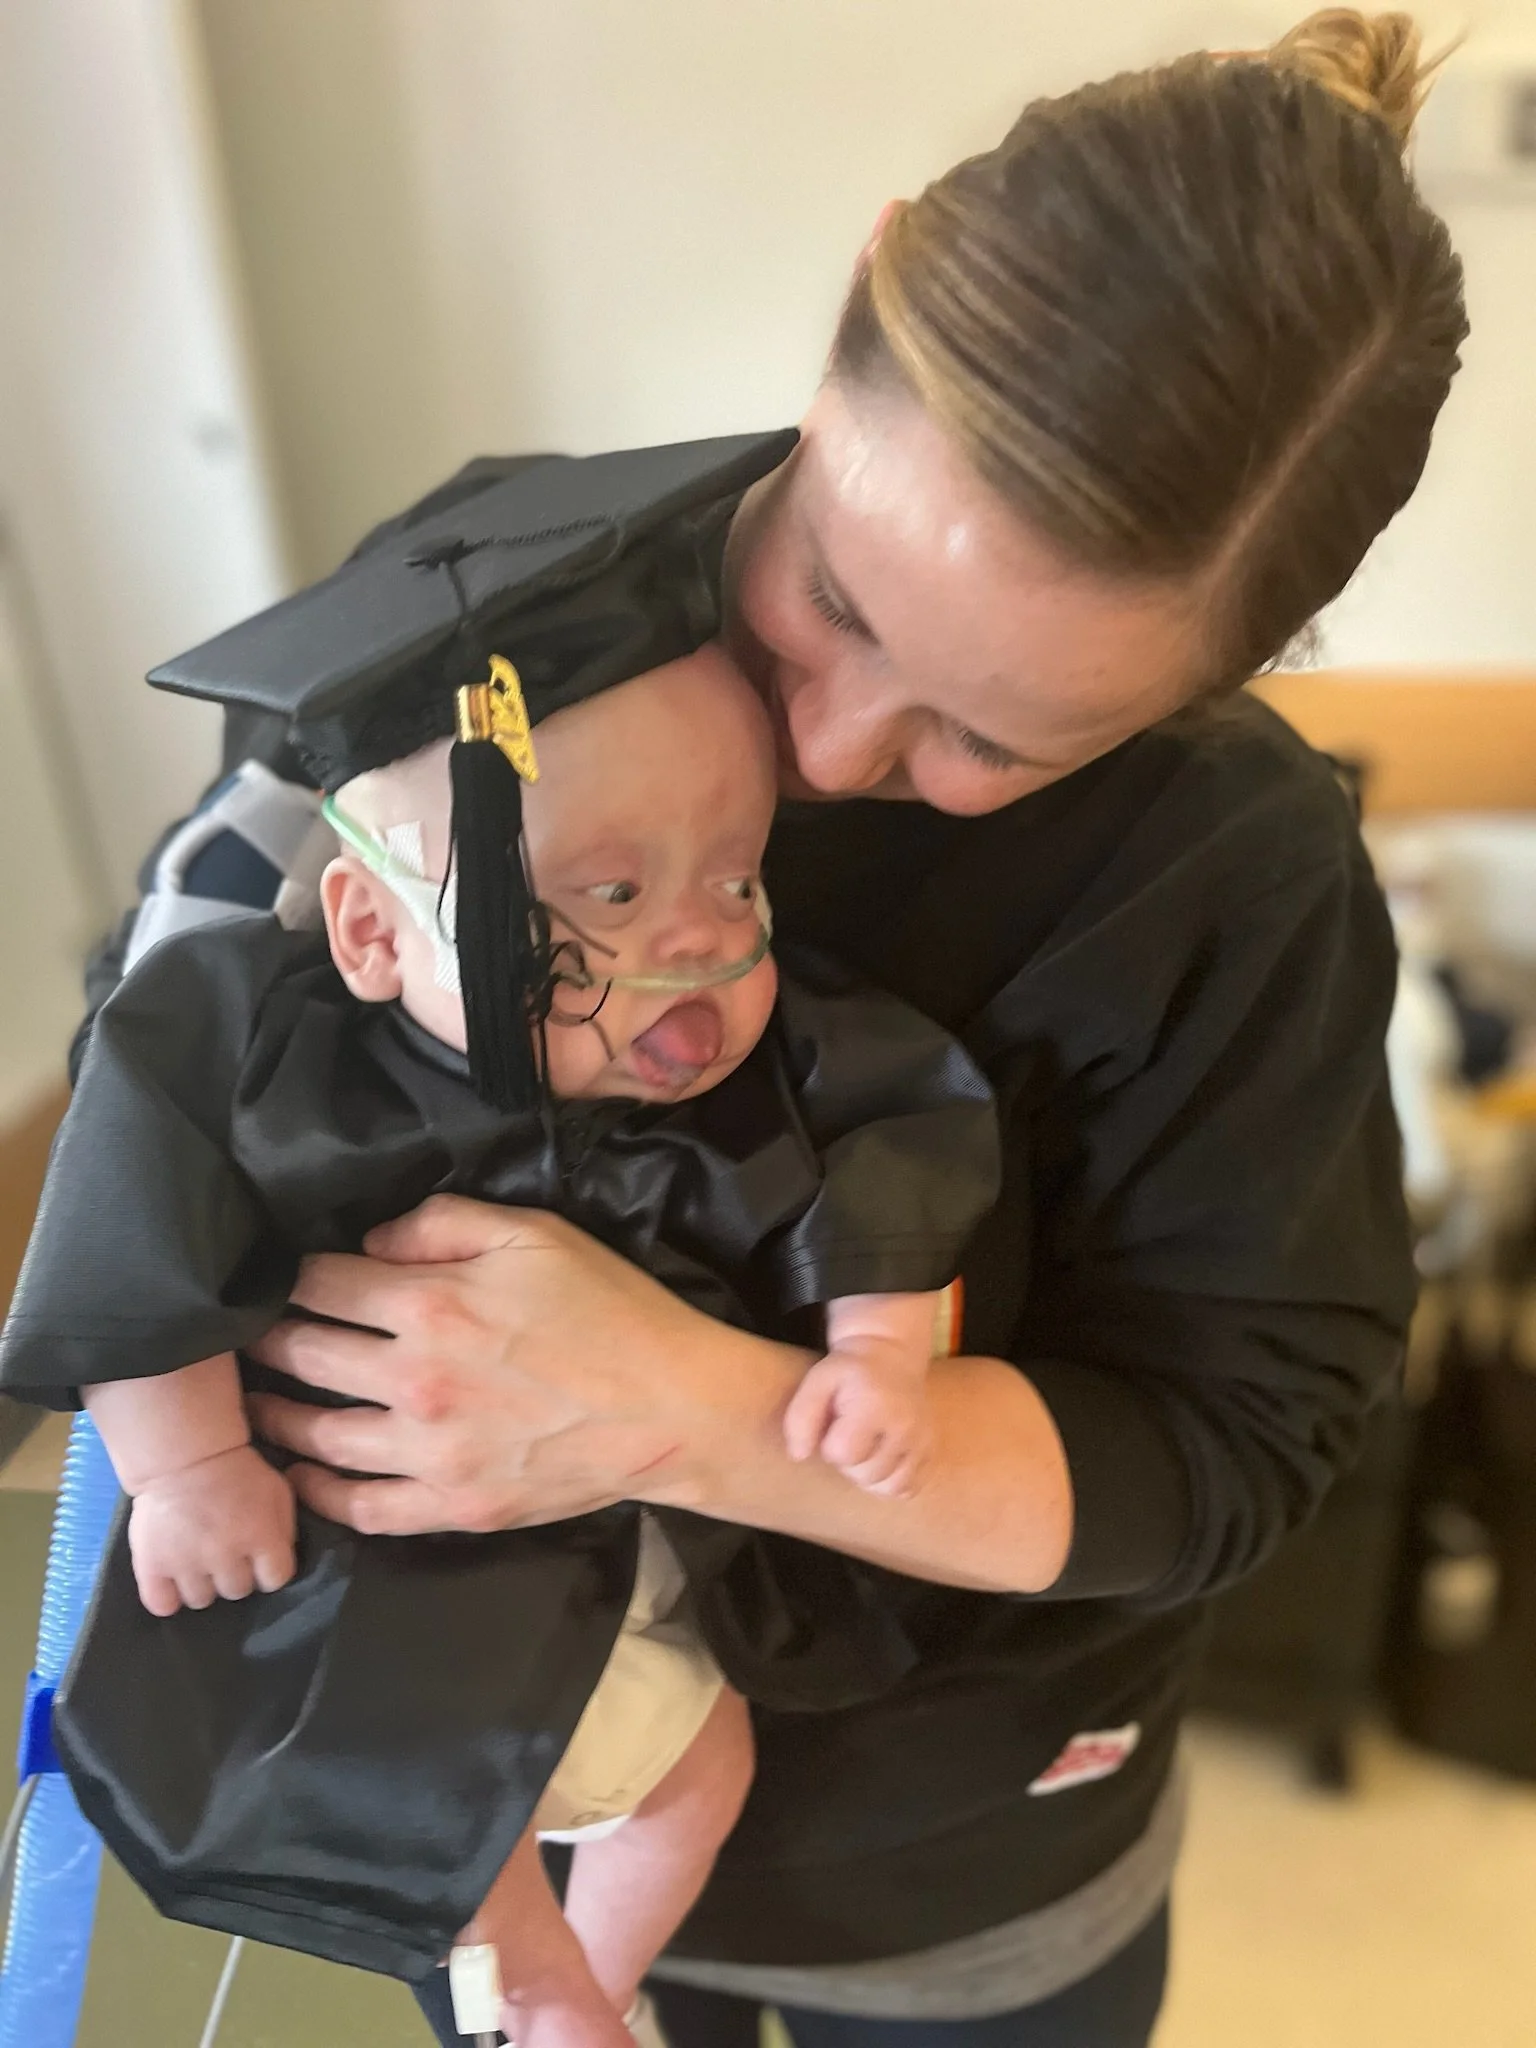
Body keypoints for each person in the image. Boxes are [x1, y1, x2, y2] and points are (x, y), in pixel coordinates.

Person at [70, 13, 1463, 2047]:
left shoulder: (1235, 877)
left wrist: (684, 1406)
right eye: (835, 598)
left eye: (993, 739)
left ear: (1217, 683)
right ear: (857, 292)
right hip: (476, 1787)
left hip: (953, 1864)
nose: (820, 752)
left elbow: (1231, 1447)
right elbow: (177, 1004)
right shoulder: (491, 589)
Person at [3, 440, 997, 2046]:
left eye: (735, 875)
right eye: (606, 894)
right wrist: (189, 1467)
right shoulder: (270, 1061)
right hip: (379, 1569)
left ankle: (591, 1983)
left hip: (632, 1551)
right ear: (372, 930)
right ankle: (526, 1973)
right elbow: (141, 1216)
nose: (693, 940)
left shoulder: (773, 1068)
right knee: (455, 1801)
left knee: (707, 1774)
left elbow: (896, 1147)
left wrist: (877, 1356)